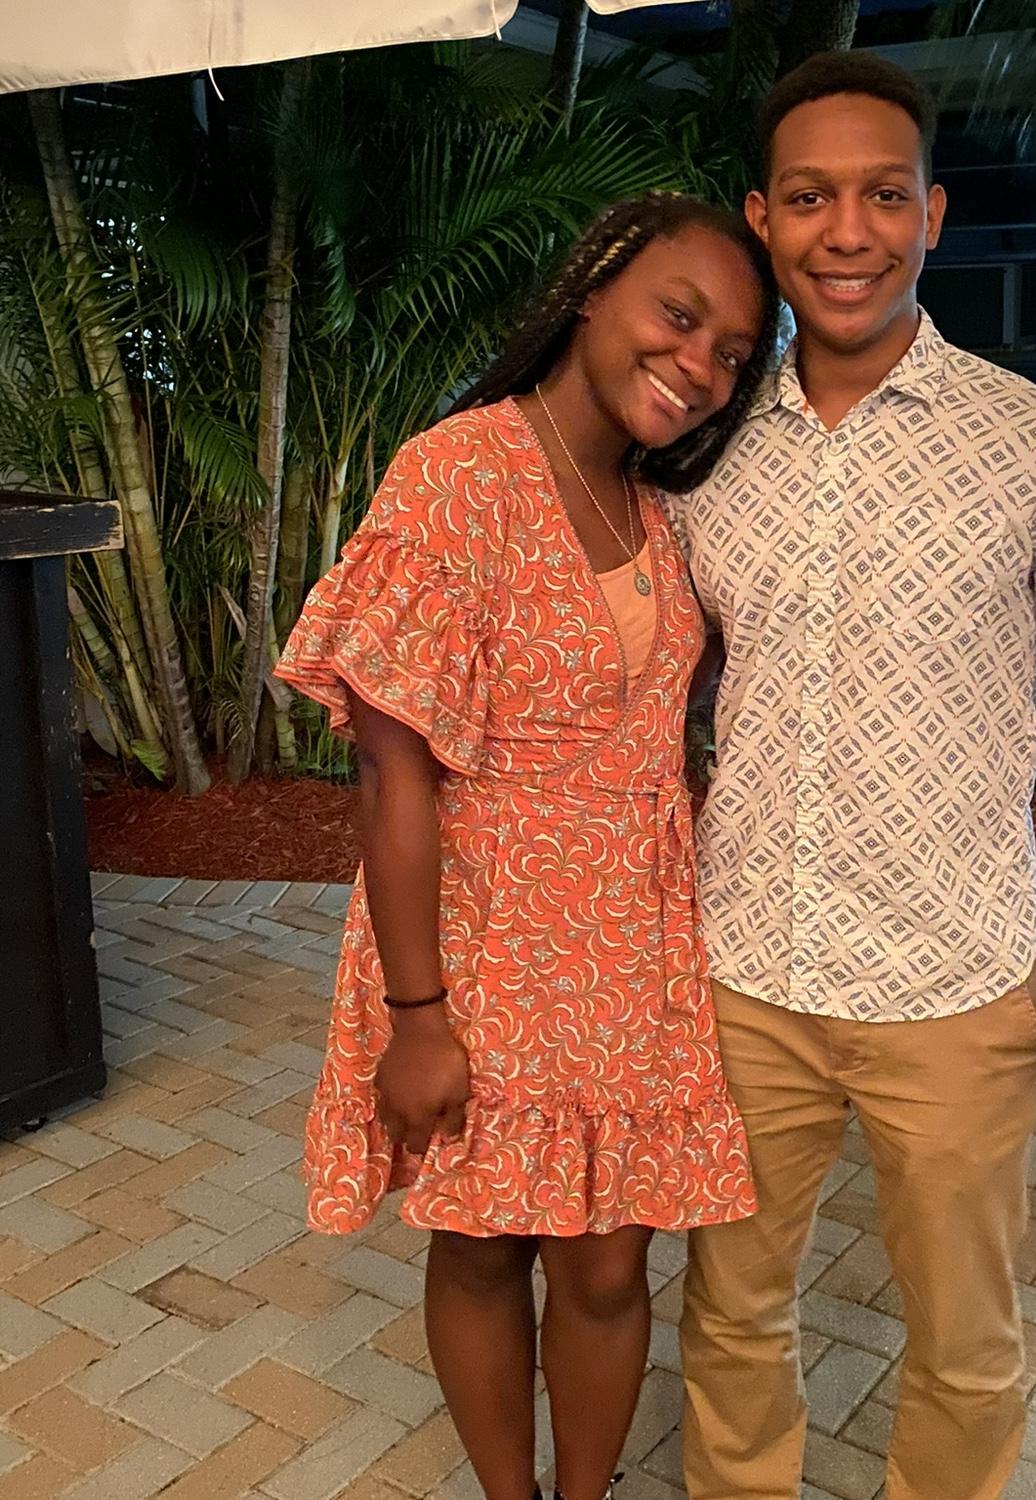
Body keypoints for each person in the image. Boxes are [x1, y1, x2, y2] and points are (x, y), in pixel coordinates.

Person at [666, 54, 1036, 1500]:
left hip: (954, 984)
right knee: (730, 1319)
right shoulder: (700, 451)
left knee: (964, 1344)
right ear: (762, 218)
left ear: (933, 215)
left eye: (885, 195)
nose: (848, 232)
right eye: (811, 197)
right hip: (744, 973)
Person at [275, 192, 780, 1500]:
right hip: (486, 942)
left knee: (611, 1263)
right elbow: (390, 766)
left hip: (633, 950)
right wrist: (417, 1018)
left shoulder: (652, 503)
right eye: (680, 316)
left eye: (732, 353)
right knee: (486, 1243)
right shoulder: (458, 475)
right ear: (596, 285)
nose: (700, 364)